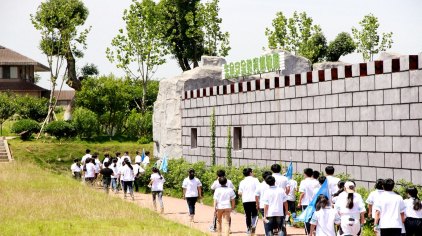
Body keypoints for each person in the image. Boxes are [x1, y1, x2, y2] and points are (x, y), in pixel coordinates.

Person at [238, 168, 260, 234]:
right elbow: (259, 189)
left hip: (246, 200)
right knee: (254, 214)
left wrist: (245, 193)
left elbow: (239, 192)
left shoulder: (242, 182)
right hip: (254, 200)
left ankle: (248, 228)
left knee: (247, 215)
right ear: (250, 173)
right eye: (252, 172)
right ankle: (253, 226)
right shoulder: (255, 180)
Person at [297, 168, 314, 234]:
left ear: (305, 174)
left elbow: (302, 193)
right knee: (314, 218)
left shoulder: (303, 182)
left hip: (306, 203)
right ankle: (314, 232)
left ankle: (308, 233)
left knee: (306, 218)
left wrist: (299, 202)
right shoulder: (316, 182)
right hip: (314, 203)